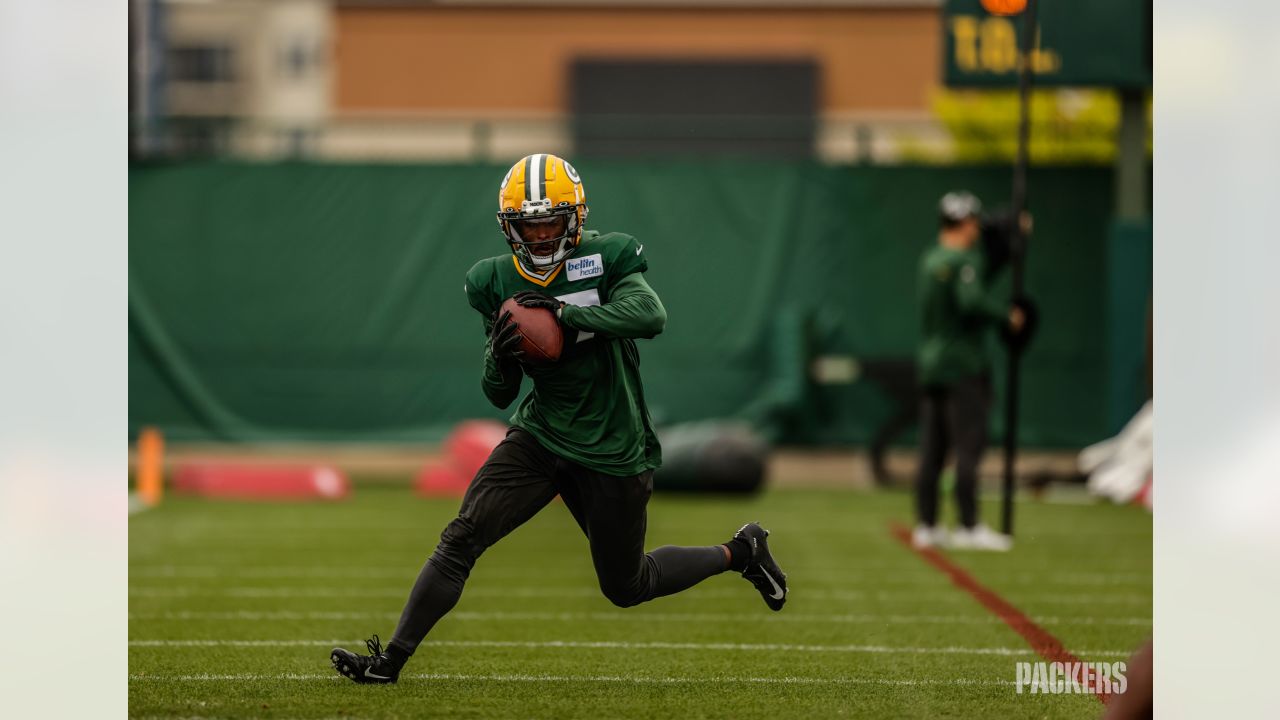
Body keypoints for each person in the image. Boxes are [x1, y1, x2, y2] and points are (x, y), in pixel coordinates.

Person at [330, 153, 789, 684]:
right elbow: (498, 393)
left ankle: (741, 551)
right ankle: (391, 660)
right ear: (511, 227)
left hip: (613, 443)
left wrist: (565, 317)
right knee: (461, 538)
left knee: (627, 586)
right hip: (541, 433)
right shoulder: (493, 280)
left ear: (575, 218)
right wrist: (499, 356)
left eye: (552, 221)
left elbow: (650, 315)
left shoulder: (607, 256)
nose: (543, 235)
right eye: (531, 224)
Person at [911, 191, 1026, 552]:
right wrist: (1007, 316)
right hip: (963, 365)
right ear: (967, 223)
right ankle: (968, 524)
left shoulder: (931, 259)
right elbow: (971, 301)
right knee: (968, 447)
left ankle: (927, 525)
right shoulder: (963, 262)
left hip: (932, 363)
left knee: (933, 449)